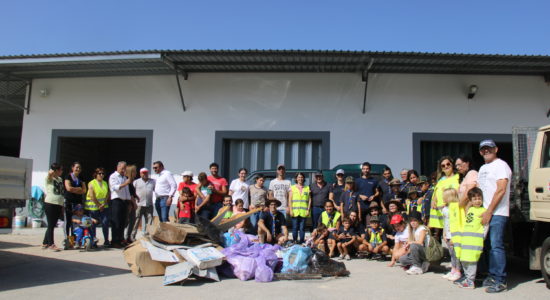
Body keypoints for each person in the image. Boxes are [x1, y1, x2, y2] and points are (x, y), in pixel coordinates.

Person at [477, 139, 512, 293]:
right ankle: (492, 276)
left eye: (489, 148)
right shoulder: (483, 168)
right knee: (489, 247)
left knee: (496, 246)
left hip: (497, 213)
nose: (486, 151)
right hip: (485, 213)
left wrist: (489, 211)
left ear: (496, 149)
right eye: (483, 149)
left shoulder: (501, 165)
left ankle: (500, 280)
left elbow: (501, 189)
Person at [456, 187, 488, 289]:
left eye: (479, 198)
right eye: (474, 199)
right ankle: (467, 278)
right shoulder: (470, 210)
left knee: (471, 261)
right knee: (464, 260)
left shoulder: (484, 211)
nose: (477, 201)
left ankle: (470, 281)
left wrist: (483, 237)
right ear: (470, 201)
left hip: (475, 241)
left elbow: (486, 226)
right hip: (466, 240)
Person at [428, 156, 459, 242]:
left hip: (452, 211)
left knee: (452, 235)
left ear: (452, 165)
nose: (446, 166)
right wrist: (434, 200)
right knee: (441, 237)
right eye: (443, 165)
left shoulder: (458, 177)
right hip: (439, 212)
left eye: (448, 164)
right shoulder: (441, 180)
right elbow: (436, 191)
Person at [442, 188, 464, 282]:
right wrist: (444, 233)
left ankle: (458, 271)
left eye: (445, 196)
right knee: (452, 253)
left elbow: (456, 222)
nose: (443, 198)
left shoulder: (456, 207)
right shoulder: (445, 208)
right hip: (447, 233)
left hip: (454, 234)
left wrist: (453, 236)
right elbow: (445, 221)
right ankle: (453, 269)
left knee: (456, 254)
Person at [85, 167, 111, 247]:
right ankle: (93, 241)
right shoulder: (91, 183)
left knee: (105, 223)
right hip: (93, 207)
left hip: (104, 206)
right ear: (96, 174)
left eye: (103, 173)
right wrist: (99, 205)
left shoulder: (105, 183)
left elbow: (108, 194)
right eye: (100, 173)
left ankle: (106, 240)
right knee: (93, 225)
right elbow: (92, 196)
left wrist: (104, 203)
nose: (101, 175)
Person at [399, 211, 430, 275]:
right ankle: (423, 263)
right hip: (418, 252)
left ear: (419, 221)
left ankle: (417, 266)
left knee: (413, 245)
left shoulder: (422, 228)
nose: (412, 223)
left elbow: (420, 242)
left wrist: (410, 242)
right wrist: (407, 244)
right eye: (411, 221)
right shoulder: (413, 229)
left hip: (425, 252)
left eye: (415, 221)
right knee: (402, 259)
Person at [109, 161, 132, 248]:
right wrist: (125, 183)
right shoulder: (113, 176)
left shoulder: (124, 177)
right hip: (116, 201)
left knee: (123, 222)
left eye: (125, 168)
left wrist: (129, 202)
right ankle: (114, 241)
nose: (123, 170)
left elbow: (127, 191)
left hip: (124, 201)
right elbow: (114, 187)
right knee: (116, 222)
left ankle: (120, 239)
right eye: (122, 168)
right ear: (118, 167)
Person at [43, 163, 65, 251]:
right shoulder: (49, 178)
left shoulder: (60, 179)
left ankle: (45, 242)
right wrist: (51, 172)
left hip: (58, 204)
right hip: (50, 203)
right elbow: (49, 175)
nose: (62, 171)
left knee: (52, 224)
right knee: (51, 224)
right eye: (60, 170)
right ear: (56, 170)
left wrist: (62, 204)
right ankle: (51, 244)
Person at [64, 162, 87, 237]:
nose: (78, 169)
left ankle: (75, 238)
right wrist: (78, 189)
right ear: (72, 168)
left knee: (77, 221)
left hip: (78, 202)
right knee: (68, 220)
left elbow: (84, 190)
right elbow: (68, 188)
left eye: (79, 168)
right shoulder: (68, 176)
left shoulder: (81, 177)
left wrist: (74, 189)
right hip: (69, 202)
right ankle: (67, 237)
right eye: (76, 167)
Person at [132, 168, 155, 238]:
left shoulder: (153, 181)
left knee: (149, 220)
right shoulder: (136, 182)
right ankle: (132, 236)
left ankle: (147, 235)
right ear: (140, 174)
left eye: (146, 173)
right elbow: (132, 193)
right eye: (143, 173)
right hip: (139, 204)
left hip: (149, 204)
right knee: (136, 220)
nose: (144, 174)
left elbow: (156, 190)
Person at [289, 172, 311, 244]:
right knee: (295, 228)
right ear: (296, 178)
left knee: (302, 228)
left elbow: (310, 200)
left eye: (301, 177)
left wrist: (308, 210)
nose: (300, 178)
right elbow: (290, 200)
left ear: (303, 178)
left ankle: (301, 241)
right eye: (299, 177)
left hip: (303, 212)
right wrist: (291, 210)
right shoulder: (292, 187)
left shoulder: (307, 188)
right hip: (295, 211)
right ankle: (295, 241)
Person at [125, 164, 138, 242]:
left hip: (131, 203)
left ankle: (128, 237)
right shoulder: (128, 181)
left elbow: (133, 193)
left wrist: (137, 196)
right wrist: (134, 204)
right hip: (129, 204)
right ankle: (126, 237)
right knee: (128, 221)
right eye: (134, 171)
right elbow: (130, 195)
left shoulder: (131, 182)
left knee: (132, 221)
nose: (136, 173)